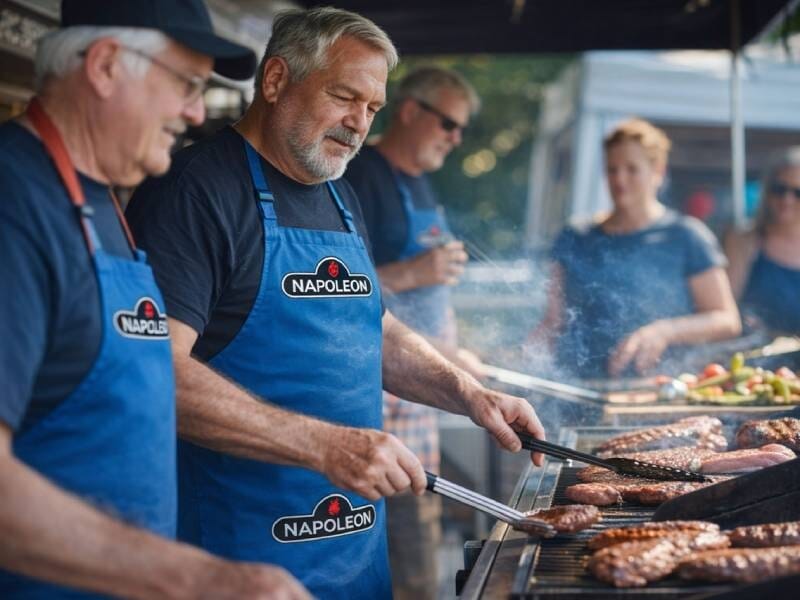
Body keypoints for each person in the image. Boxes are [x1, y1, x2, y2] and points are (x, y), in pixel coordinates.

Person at [125, 7, 545, 599]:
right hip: (242, 558)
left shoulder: (338, 191)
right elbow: (153, 371)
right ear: (275, 81)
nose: (359, 124)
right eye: (345, 97)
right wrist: (327, 445)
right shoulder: (194, 192)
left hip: (354, 555)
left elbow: (373, 327)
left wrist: (469, 395)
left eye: (372, 108)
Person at [0, 1, 310, 598]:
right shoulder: (15, 204)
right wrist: (196, 577)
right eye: (187, 85)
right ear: (107, 65)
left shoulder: (102, 200)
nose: (195, 112)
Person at [344, 66, 484, 600]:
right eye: (449, 123)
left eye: (461, 129)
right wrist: (415, 274)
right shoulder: (361, 179)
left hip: (420, 397)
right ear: (409, 111)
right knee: (412, 566)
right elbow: (335, 292)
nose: (455, 137)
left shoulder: (419, 179)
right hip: (383, 405)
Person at [529, 118, 741, 378]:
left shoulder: (686, 236)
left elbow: (726, 320)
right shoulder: (575, 235)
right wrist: (523, 360)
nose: (620, 179)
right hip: (580, 385)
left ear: (658, 172)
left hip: (656, 387)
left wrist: (664, 331)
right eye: (612, 169)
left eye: (632, 169)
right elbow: (553, 321)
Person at [725, 147, 800, 333]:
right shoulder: (743, 241)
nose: (787, 199)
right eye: (779, 189)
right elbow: (725, 308)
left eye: (798, 192)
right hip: (755, 355)